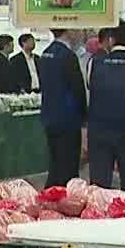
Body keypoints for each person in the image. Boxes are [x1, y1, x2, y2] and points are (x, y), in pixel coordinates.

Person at [85, 20, 125, 192]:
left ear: (111, 40)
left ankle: (98, 217)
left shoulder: (94, 63)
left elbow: (89, 93)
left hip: (99, 132)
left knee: (98, 188)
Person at [38, 27, 88, 187]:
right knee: (68, 167)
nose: (81, 33)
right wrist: (84, 118)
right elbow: (77, 89)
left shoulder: (45, 54)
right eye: (80, 30)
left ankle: (50, 198)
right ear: (70, 31)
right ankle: (64, 203)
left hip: (49, 117)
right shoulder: (68, 56)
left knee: (55, 163)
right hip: (68, 120)